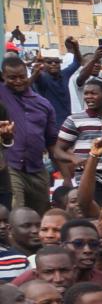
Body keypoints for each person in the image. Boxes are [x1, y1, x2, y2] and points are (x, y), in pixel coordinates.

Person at [0, 57, 57, 214]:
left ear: (27, 75)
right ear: (3, 77)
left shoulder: (43, 104)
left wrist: (65, 173)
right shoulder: (2, 95)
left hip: (37, 168)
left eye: (22, 77)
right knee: (16, 214)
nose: (18, 81)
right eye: (12, 78)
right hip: (11, 167)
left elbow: (51, 141)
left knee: (41, 216)